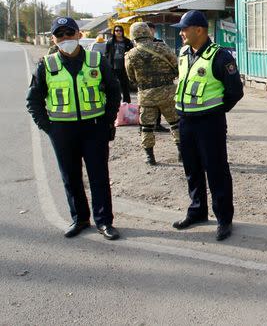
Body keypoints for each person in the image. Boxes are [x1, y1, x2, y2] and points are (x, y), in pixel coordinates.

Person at [26, 17, 122, 240]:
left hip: (94, 128)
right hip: (62, 131)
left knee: (99, 176)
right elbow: (33, 101)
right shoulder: (46, 65)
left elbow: (114, 92)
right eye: (60, 35)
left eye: (70, 33)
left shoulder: (97, 60)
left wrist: (108, 121)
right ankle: (80, 218)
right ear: (53, 39)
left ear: (79, 35)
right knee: (70, 176)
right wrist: (48, 128)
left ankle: (104, 222)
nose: (65, 39)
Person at [171, 10, 243, 242]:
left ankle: (224, 219)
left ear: (199, 30)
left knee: (216, 170)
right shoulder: (183, 53)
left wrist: (215, 112)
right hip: (186, 122)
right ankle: (197, 211)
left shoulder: (220, 56)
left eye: (184, 29)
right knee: (192, 169)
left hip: (209, 123)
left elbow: (235, 91)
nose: (181, 33)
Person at [125, 22, 180, 165]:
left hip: (146, 95)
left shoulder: (131, 55)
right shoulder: (162, 47)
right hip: (167, 92)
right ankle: (182, 152)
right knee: (175, 123)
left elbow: (131, 77)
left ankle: (150, 156)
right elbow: (176, 64)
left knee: (147, 127)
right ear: (149, 33)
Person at [146, 22, 169, 132]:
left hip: (159, 76)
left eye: (151, 30)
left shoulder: (159, 43)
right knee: (145, 104)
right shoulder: (139, 44)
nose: (150, 32)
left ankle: (157, 123)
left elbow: (167, 57)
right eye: (147, 30)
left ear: (154, 31)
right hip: (145, 79)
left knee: (159, 102)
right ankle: (145, 126)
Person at [105, 25, 134, 103]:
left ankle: (127, 102)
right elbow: (107, 53)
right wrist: (108, 64)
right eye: (116, 30)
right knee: (113, 85)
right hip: (113, 67)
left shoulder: (127, 41)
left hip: (124, 66)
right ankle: (114, 101)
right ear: (114, 32)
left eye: (120, 30)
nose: (118, 32)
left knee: (125, 85)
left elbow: (132, 52)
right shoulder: (110, 41)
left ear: (122, 32)